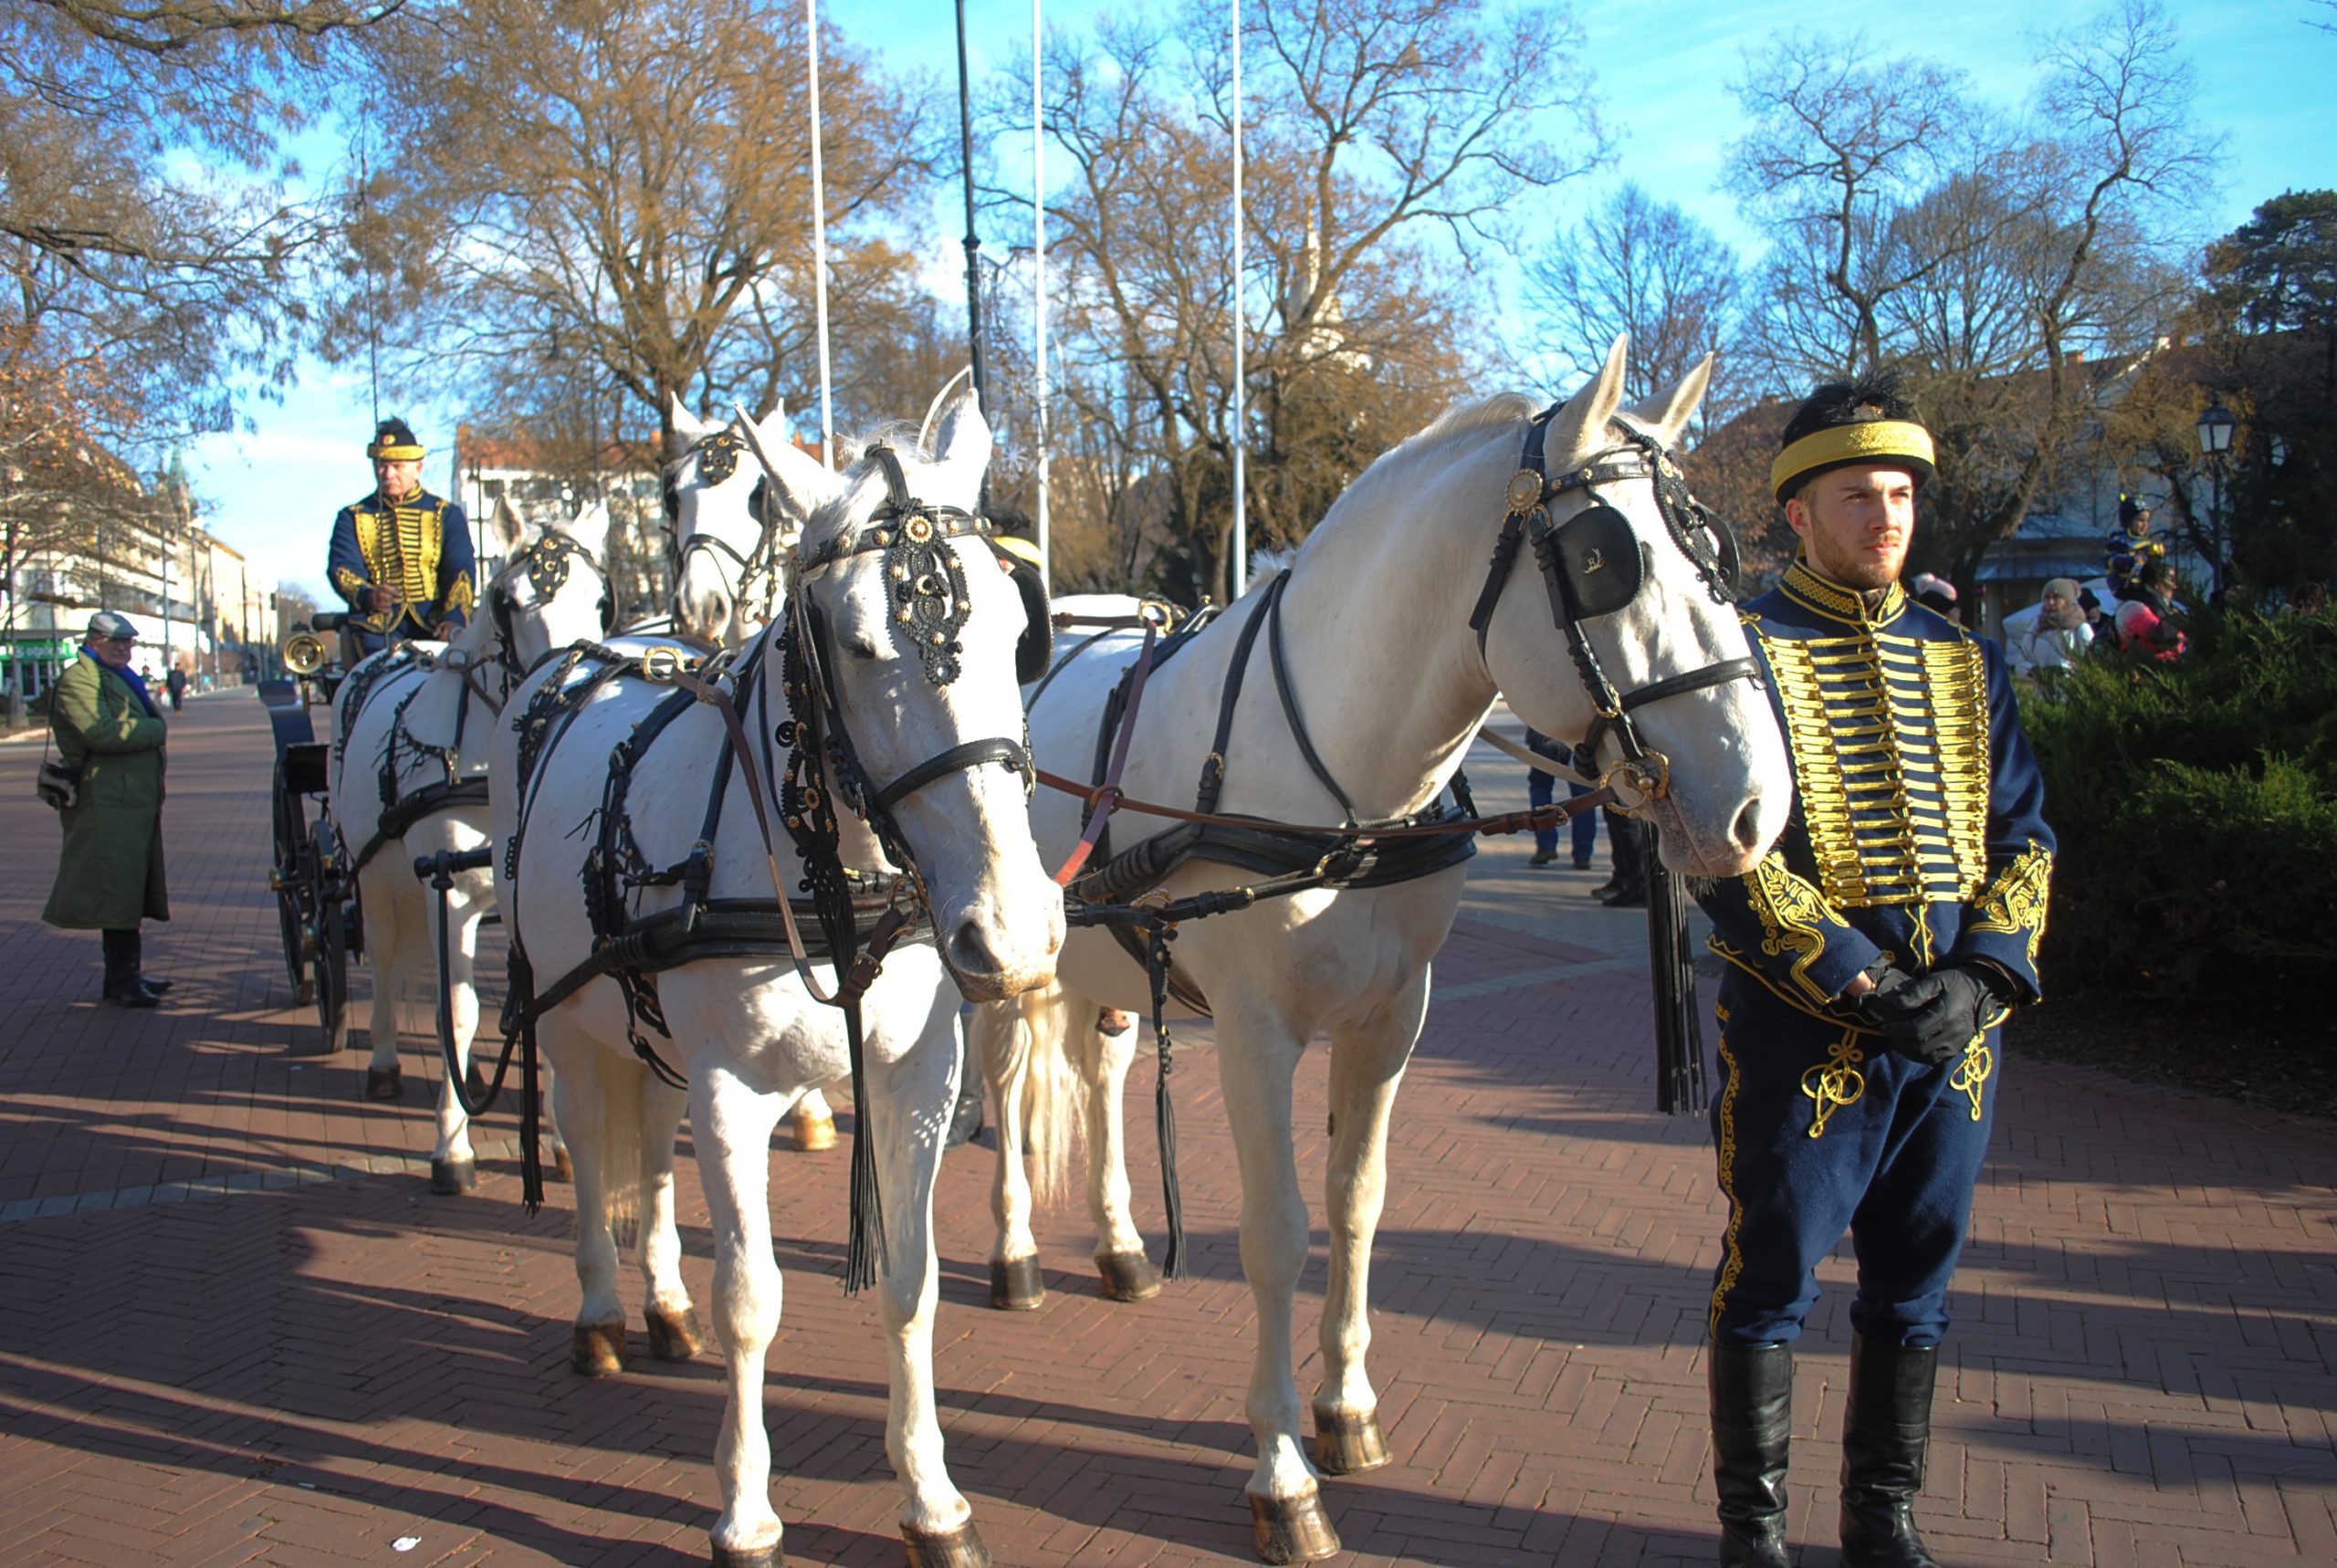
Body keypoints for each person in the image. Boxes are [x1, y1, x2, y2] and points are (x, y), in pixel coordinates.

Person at [1693, 374, 2053, 1568]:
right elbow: (1726, 850)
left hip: (1955, 1046)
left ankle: (1880, 1518)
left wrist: (1984, 978)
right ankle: (1755, 1530)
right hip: (1810, 1038)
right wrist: (1860, 979)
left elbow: (2028, 837)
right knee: (1773, 1274)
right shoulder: (1740, 657)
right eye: (1858, 495)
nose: (1887, 516)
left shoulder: (1967, 659)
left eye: (1901, 493)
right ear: (1799, 511)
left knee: (1916, 1284)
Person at [43, 612, 174, 1008]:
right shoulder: (80, 679)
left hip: (127, 801)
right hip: (105, 802)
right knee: (116, 891)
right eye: (115, 642)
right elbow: (100, 732)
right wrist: (155, 730)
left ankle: (123, 977)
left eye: (128, 642)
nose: (123, 648)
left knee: (127, 890)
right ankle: (122, 981)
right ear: (94, 640)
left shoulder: (114, 675)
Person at [327, 416, 477, 657]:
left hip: (434, 624)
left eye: (397, 466)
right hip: (375, 629)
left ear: (418, 468)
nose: (387, 474)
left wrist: (453, 618)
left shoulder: (446, 514)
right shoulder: (352, 516)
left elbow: (460, 569)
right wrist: (368, 596)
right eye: (381, 465)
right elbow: (342, 569)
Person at [1523, 727, 1598, 870]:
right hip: (1577, 739)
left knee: (1540, 789)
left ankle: (1546, 846)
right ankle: (1583, 854)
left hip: (1543, 736)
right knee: (1584, 796)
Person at [2013, 578, 2092, 675]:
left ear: (2066, 599)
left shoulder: (2080, 628)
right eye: (2047, 597)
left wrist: (2066, 673)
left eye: (2056, 597)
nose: (2051, 602)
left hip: (2070, 689)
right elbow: (2022, 660)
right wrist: (2035, 671)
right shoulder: (2036, 625)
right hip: (2043, 689)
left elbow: (2092, 665)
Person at [2112, 560, 2185, 661]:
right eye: (2171, 580)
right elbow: (2159, 635)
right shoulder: (2133, 607)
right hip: (2140, 672)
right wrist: (2182, 622)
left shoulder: (2161, 607)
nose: (2174, 586)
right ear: (2156, 583)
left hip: (2162, 669)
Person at [2104, 496, 2164, 601]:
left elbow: (2151, 563)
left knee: (2158, 599)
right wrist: (2130, 561)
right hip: (2124, 585)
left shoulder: (2146, 542)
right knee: (2152, 600)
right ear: (2129, 521)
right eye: (2140, 520)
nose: (2145, 525)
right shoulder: (2119, 541)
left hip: (2142, 584)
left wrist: (2156, 555)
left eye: (2147, 521)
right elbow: (2110, 561)